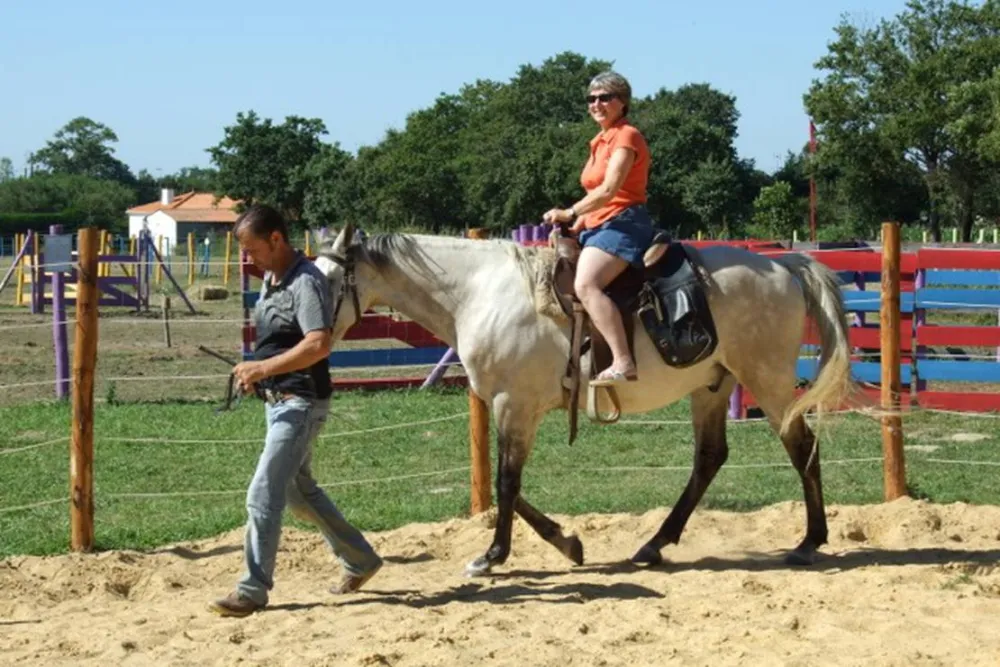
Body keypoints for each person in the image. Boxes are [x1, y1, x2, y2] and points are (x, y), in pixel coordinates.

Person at [209, 204, 383, 617]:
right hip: (279, 400)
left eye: (252, 249)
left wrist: (263, 367)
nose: (249, 259)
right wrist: (256, 373)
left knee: (263, 492)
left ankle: (251, 591)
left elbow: (318, 344)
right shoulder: (272, 278)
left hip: (301, 402)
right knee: (297, 493)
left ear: (276, 239)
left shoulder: (306, 282)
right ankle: (360, 559)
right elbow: (280, 340)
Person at [543, 70, 657, 387]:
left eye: (605, 97)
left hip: (625, 223)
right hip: (600, 224)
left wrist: (568, 212)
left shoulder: (627, 136)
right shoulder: (599, 141)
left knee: (587, 284)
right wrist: (576, 223)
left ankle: (623, 361)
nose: (596, 104)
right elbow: (597, 196)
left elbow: (609, 191)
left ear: (623, 102)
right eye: (591, 98)